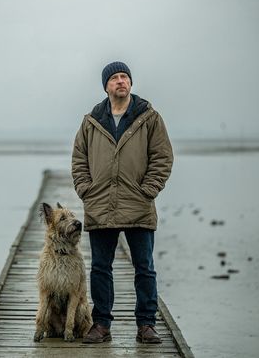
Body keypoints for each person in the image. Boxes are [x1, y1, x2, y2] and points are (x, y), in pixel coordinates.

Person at [71, 61, 174, 344]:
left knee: (145, 268)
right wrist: (86, 190)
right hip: (101, 204)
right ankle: (101, 324)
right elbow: (79, 160)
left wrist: (148, 190)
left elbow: (163, 157)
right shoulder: (91, 121)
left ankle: (146, 325)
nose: (120, 81)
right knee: (101, 268)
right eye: (114, 78)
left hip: (138, 204)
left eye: (124, 77)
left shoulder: (149, 117)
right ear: (106, 86)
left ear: (130, 83)